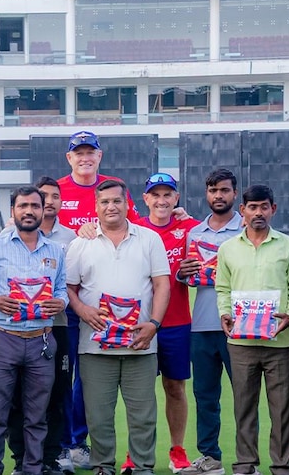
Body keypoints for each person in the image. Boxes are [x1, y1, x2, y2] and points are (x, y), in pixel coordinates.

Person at [0, 186, 67, 475]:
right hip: (3, 338)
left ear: (42, 210)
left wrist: (61, 302)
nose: (29, 211)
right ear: (13, 211)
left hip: (42, 340)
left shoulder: (55, 250)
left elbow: (61, 288)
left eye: (34, 206)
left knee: (37, 415)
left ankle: (32, 468)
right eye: (23, 206)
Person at [66, 179, 170, 475]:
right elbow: (68, 287)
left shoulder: (149, 239)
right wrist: (82, 309)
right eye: (104, 202)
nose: (111, 206)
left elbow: (162, 284)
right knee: (98, 415)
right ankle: (103, 465)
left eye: (116, 201)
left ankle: (142, 466)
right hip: (94, 346)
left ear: (127, 204)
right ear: (96, 207)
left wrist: (154, 324)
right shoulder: (80, 243)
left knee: (143, 414)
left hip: (140, 343)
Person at [56, 131, 138, 470]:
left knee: (89, 379)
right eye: (79, 153)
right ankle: (60, 443)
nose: (85, 158)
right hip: (64, 301)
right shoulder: (57, 190)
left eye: (91, 152)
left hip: (105, 306)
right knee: (61, 376)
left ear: (100, 156)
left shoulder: (114, 189)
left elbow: (135, 227)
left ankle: (79, 441)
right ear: (69, 158)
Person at [215, 184, 289, 475]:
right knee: (244, 406)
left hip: (279, 341)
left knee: (282, 408)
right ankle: (245, 465)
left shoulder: (288, 245)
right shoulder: (228, 248)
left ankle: (282, 466)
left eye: (264, 207)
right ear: (243, 210)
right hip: (241, 344)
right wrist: (225, 314)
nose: (258, 212)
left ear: (273, 209)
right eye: (252, 207)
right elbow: (223, 289)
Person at [7, 177, 78, 475]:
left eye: (54, 197)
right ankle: (21, 459)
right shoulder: (6, 236)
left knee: (57, 392)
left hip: (56, 325)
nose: (48, 202)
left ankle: (51, 456)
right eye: (42, 197)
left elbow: (70, 285)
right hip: (16, 329)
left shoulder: (72, 237)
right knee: (17, 396)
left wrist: (61, 301)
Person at [176, 168, 243, 475]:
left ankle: (247, 459)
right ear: (207, 194)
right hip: (202, 325)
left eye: (224, 190)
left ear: (234, 194)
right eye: (213, 190)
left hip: (239, 325)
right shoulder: (195, 233)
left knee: (244, 396)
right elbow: (189, 278)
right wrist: (184, 273)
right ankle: (210, 457)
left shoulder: (246, 229)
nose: (219, 195)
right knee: (205, 396)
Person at [136, 173, 199, 473]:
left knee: (175, 388)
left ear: (176, 198)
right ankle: (136, 452)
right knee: (139, 391)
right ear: (145, 199)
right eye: (155, 195)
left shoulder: (190, 228)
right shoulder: (134, 229)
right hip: (140, 322)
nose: (161, 201)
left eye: (167, 195)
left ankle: (177, 450)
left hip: (177, 322)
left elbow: (218, 235)